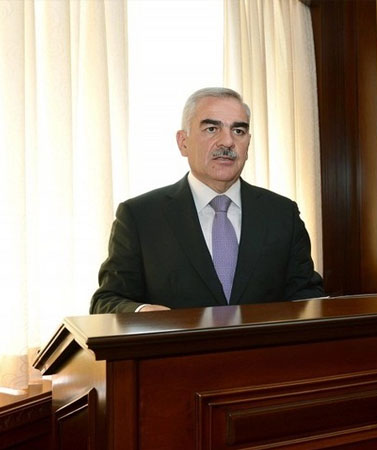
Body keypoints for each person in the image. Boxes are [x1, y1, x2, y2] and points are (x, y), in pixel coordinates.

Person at [90, 87, 324, 313]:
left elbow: (306, 296)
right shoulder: (140, 216)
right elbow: (106, 301)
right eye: (212, 129)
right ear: (183, 142)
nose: (227, 142)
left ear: (248, 143)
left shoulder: (282, 213)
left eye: (238, 131)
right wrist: (143, 313)